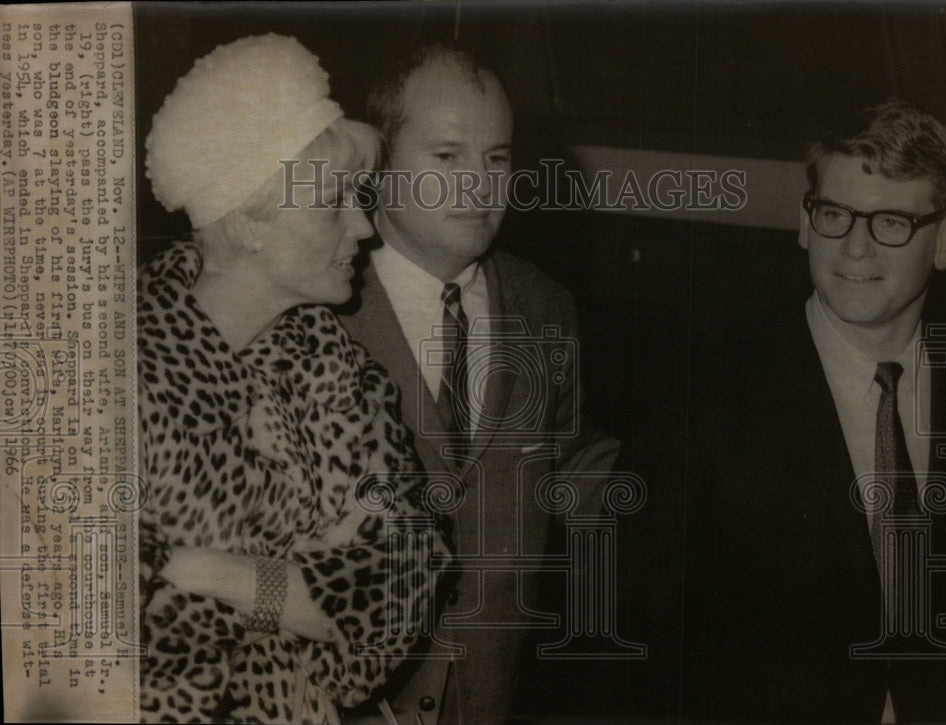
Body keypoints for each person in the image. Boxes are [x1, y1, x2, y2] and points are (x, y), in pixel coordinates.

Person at [138, 34, 449, 724]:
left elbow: (399, 592)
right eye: (334, 200)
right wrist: (302, 588)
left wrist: (197, 568)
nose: (363, 225)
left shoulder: (341, 376)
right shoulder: (108, 370)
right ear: (251, 218)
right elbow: (83, 626)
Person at [681, 98, 946, 722]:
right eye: (835, 214)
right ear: (805, 223)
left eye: (890, 222)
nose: (855, 247)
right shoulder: (708, 389)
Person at [338, 44, 622, 725]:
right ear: (378, 163)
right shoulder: (320, 306)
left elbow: (572, 467)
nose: (479, 183)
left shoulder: (545, 306)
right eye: (447, 157)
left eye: (496, 158)